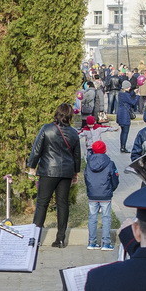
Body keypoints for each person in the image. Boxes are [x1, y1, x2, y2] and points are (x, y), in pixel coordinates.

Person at [27, 103, 82, 248]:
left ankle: (35, 239)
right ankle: (61, 239)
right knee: (62, 204)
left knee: (42, 204)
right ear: (70, 116)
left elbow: (36, 149)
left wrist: (32, 167)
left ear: (57, 113)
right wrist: (76, 172)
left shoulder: (46, 128)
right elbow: (77, 156)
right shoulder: (74, 133)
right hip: (66, 172)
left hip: (48, 171)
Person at [83, 140, 119, 251]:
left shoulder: (88, 163)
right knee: (106, 218)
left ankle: (92, 242)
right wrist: (111, 189)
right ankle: (106, 243)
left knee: (92, 217)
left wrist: (90, 189)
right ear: (105, 149)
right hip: (105, 195)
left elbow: (86, 177)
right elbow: (115, 179)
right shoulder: (110, 163)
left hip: (92, 195)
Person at [115, 80, 139, 154]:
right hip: (125, 115)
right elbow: (133, 102)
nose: (129, 88)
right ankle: (123, 147)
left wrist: (133, 92)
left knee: (122, 132)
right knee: (125, 132)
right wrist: (138, 96)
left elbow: (128, 96)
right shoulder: (125, 95)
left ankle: (122, 146)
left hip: (120, 114)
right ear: (125, 87)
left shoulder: (121, 93)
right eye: (128, 87)